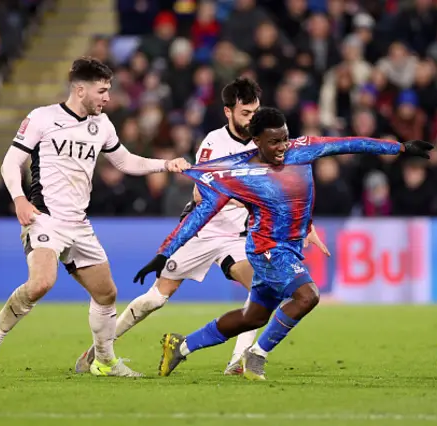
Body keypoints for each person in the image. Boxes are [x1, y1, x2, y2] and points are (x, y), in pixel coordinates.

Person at [134, 107, 433, 380]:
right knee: (308, 296)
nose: (282, 147)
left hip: (289, 247)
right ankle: (256, 356)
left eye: (285, 139)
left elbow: (350, 143)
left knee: (253, 316)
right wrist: (164, 254)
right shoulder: (235, 174)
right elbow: (200, 216)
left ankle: (181, 347)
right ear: (256, 141)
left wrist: (401, 148)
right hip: (266, 249)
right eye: (274, 142)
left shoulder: (302, 149)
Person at [76, 78, 324, 376]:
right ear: (228, 112)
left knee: (261, 291)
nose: (252, 119)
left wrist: (302, 224)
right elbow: (198, 194)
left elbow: (288, 191)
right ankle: (99, 349)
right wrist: (248, 200)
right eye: (245, 113)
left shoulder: (269, 143)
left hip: (238, 238)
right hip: (204, 232)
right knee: (153, 300)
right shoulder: (214, 143)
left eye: (255, 111)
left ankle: (238, 360)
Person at [0, 57, 190, 381]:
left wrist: (165, 164)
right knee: (42, 283)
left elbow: (125, 161)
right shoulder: (42, 118)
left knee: (106, 293)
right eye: (102, 91)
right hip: (44, 218)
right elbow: (10, 163)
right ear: (80, 89)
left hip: (78, 225)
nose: (107, 98)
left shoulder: (102, 125)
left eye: (108, 91)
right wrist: (18, 198)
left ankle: (103, 361)